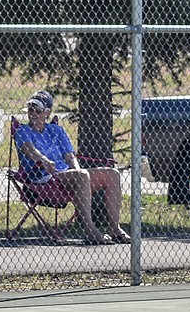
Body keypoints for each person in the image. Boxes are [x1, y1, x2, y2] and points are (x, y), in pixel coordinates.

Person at [14, 90, 131, 245]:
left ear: (47, 113)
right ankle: (90, 229)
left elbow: (70, 156)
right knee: (81, 176)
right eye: (30, 109)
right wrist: (44, 160)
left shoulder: (56, 130)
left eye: (38, 110)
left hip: (65, 176)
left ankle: (115, 229)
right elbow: (29, 149)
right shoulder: (23, 131)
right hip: (42, 178)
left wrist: (75, 170)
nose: (33, 113)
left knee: (112, 174)